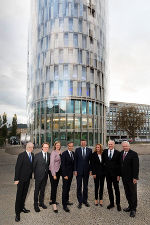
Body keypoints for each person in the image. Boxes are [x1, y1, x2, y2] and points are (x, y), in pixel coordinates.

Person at [14, 142, 34, 222]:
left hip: (28, 179)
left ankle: (22, 207)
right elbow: (17, 168)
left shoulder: (32, 155)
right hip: (21, 180)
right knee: (19, 196)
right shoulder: (21, 155)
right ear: (27, 147)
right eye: (31, 147)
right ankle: (17, 213)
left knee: (24, 194)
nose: (32, 148)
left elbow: (31, 167)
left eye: (32, 147)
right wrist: (16, 179)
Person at [119, 141, 139, 217]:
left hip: (131, 178)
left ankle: (133, 209)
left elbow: (136, 167)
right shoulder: (121, 153)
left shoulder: (134, 154)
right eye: (123, 146)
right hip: (124, 178)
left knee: (133, 193)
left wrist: (135, 177)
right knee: (127, 193)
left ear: (129, 146)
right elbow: (121, 165)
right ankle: (130, 206)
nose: (125, 147)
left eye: (126, 146)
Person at [102, 140, 121, 211]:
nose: (110, 145)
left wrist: (119, 175)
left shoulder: (118, 153)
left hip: (115, 175)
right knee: (109, 189)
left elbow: (119, 165)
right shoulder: (105, 152)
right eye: (109, 144)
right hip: (108, 175)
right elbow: (103, 162)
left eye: (111, 144)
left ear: (114, 145)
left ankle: (118, 204)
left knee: (116, 189)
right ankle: (112, 203)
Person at [74, 139, 92, 209]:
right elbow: (75, 161)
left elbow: (91, 161)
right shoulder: (77, 150)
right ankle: (80, 201)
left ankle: (85, 200)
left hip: (86, 171)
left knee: (85, 187)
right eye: (82, 142)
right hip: (78, 171)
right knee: (79, 186)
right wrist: (75, 170)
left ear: (86, 143)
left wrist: (90, 170)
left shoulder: (89, 150)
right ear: (80, 143)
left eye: (84, 142)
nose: (83, 143)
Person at [33, 142, 50, 212]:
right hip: (38, 176)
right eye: (45, 147)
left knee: (43, 190)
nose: (46, 148)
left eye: (47, 147)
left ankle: (41, 203)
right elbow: (33, 166)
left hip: (45, 176)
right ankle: (35, 205)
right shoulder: (37, 155)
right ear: (42, 147)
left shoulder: (49, 155)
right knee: (36, 190)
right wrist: (35, 175)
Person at [61, 141, 75, 212]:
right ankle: (64, 205)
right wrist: (65, 175)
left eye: (72, 146)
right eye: (69, 146)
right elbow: (62, 165)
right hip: (66, 175)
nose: (71, 147)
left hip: (71, 175)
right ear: (67, 146)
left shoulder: (73, 153)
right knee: (65, 189)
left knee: (68, 188)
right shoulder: (64, 154)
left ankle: (67, 201)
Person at [49, 141, 61, 213]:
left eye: (59, 145)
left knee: (55, 186)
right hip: (53, 172)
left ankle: (51, 200)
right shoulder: (53, 152)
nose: (58, 146)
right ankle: (54, 204)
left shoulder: (59, 151)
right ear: (55, 145)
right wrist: (54, 174)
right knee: (54, 188)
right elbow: (51, 164)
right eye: (57, 145)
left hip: (58, 171)